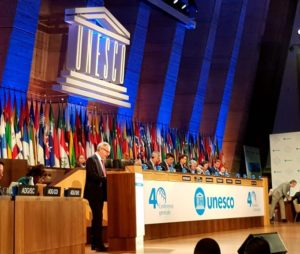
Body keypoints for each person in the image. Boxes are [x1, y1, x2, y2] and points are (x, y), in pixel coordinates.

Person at [84, 142, 110, 252]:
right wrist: (107, 179)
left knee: (97, 218)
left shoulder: (101, 161)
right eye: (106, 151)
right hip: (93, 193)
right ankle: (99, 244)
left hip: (100, 193)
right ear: (100, 149)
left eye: (109, 152)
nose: (107, 154)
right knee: (98, 217)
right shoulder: (91, 159)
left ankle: (95, 244)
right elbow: (93, 175)